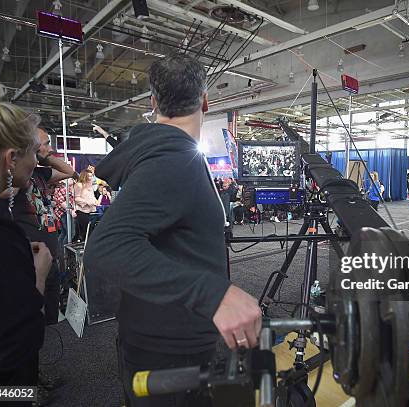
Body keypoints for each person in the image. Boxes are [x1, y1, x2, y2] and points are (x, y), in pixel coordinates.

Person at [83, 55, 261, 407]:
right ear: (206, 101)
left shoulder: (167, 154)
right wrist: (211, 293)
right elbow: (106, 246)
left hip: (160, 341)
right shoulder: (173, 160)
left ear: (153, 103)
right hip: (170, 354)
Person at [0, 78, 52, 394]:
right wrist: (37, 279)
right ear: (10, 158)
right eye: (33, 153)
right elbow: (13, 352)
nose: (36, 162)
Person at [0, 126, 76, 326]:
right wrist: (25, 167)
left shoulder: (41, 174)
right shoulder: (16, 176)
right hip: (30, 253)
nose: (50, 146)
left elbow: (69, 172)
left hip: (50, 251)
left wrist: (44, 157)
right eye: (46, 143)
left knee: (51, 302)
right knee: (31, 309)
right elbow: (1, 193)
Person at [73, 167, 98, 242]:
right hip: (82, 212)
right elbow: (76, 198)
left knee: (90, 232)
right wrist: (87, 202)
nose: (90, 178)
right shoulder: (79, 185)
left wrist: (95, 201)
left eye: (91, 176)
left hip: (91, 211)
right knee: (84, 233)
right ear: (84, 176)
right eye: (89, 176)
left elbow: (92, 196)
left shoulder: (90, 185)